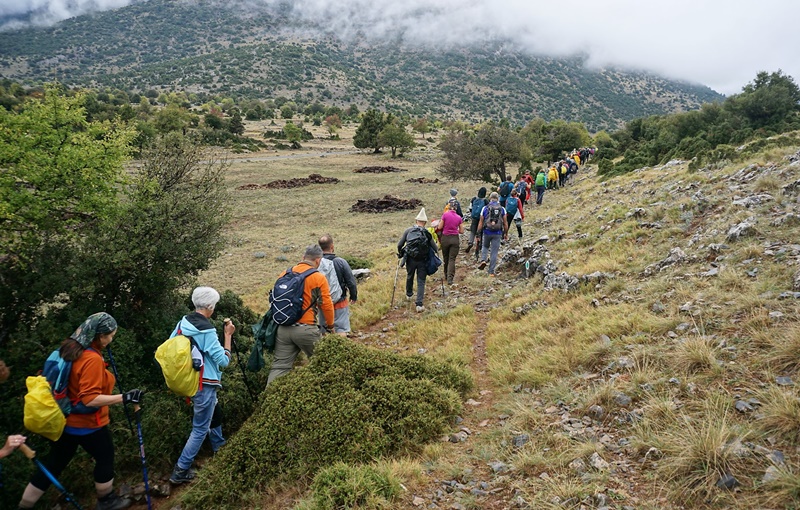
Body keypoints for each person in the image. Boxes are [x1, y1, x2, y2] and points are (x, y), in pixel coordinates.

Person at [19, 313, 139, 510]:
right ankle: (106, 500)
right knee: (105, 457)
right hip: (88, 424)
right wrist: (124, 397)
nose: (111, 339)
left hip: (63, 421)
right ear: (99, 336)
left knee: (53, 465)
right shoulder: (91, 359)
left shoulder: (68, 348)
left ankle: (24, 505)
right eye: (110, 335)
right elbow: (90, 399)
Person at [169, 287, 233, 485]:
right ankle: (180, 470)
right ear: (211, 307)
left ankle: (219, 447)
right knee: (199, 428)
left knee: (215, 411)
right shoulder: (207, 330)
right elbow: (223, 361)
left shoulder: (183, 323)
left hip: (188, 380)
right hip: (204, 383)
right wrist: (228, 336)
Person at [267, 246, 334, 384]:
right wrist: (330, 325)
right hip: (305, 329)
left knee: (279, 367)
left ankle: (268, 399)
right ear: (318, 261)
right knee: (325, 363)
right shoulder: (318, 278)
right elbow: (326, 305)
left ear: (303, 258)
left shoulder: (284, 273)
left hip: (283, 329)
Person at [397, 208, 438, 312]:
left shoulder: (408, 231)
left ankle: (409, 294)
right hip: (422, 260)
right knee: (421, 281)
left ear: (416, 221)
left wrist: (401, 253)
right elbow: (435, 248)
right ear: (425, 222)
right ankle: (419, 304)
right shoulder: (427, 233)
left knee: (410, 275)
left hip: (410, 259)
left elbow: (399, 244)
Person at [318, 234, 358, 336]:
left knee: (324, 329)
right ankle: (341, 349)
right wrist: (353, 296)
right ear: (332, 247)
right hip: (340, 301)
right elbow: (350, 281)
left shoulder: (316, 263)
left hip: (323, 302)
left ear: (320, 247)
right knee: (341, 328)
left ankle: (327, 349)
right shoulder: (340, 262)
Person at [477, 192, 508, 277]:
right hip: (497, 233)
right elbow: (505, 223)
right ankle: (491, 272)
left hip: (487, 231)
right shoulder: (502, 209)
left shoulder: (485, 208)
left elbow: (481, 222)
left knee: (485, 246)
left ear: (490, 198)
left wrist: (478, 233)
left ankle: (483, 260)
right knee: (494, 252)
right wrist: (506, 233)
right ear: (498, 198)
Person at [438, 201, 464, 285]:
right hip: (455, 239)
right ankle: (450, 278)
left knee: (446, 258)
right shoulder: (459, 217)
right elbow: (462, 231)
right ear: (456, 208)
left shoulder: (445, 215)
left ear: (449, 207)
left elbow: (439, 227)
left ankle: (446, 275)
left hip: (445, 238)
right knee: (452, 259)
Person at [466, 187, 487, 254]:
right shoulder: (486, 201)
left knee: (473, 231)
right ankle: (479, 244)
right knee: (480, 231)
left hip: (474, 217)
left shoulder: (474, 199)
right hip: (482, 218)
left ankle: (470, 242)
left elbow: (470, 208)